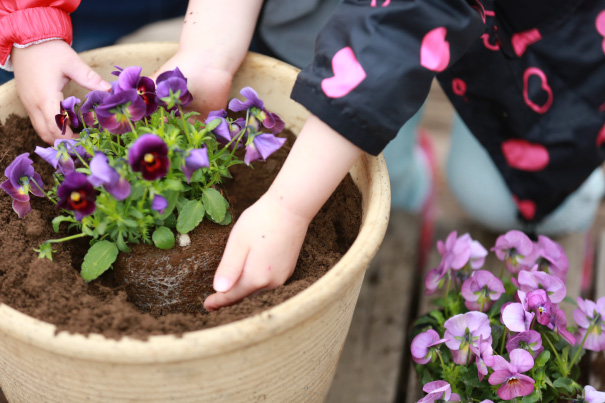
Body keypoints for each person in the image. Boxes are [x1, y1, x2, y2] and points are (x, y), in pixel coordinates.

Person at [3, 0, 604, 311]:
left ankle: (572, 195)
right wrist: (209, 54)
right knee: (374, 139)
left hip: (538, 50)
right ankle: (409, 178)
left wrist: (289, 207)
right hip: (374, 29)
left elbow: (407, 24)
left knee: (507, 198)